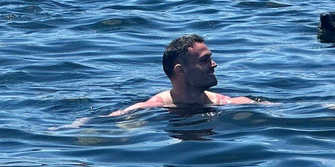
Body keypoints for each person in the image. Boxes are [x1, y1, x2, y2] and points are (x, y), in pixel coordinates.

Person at [108, 34, 260, 116]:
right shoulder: (152, 108)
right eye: (204, 60)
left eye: (211, 58)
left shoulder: (226, 103)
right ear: (180, 71)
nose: (214, 64)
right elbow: (103, 122)